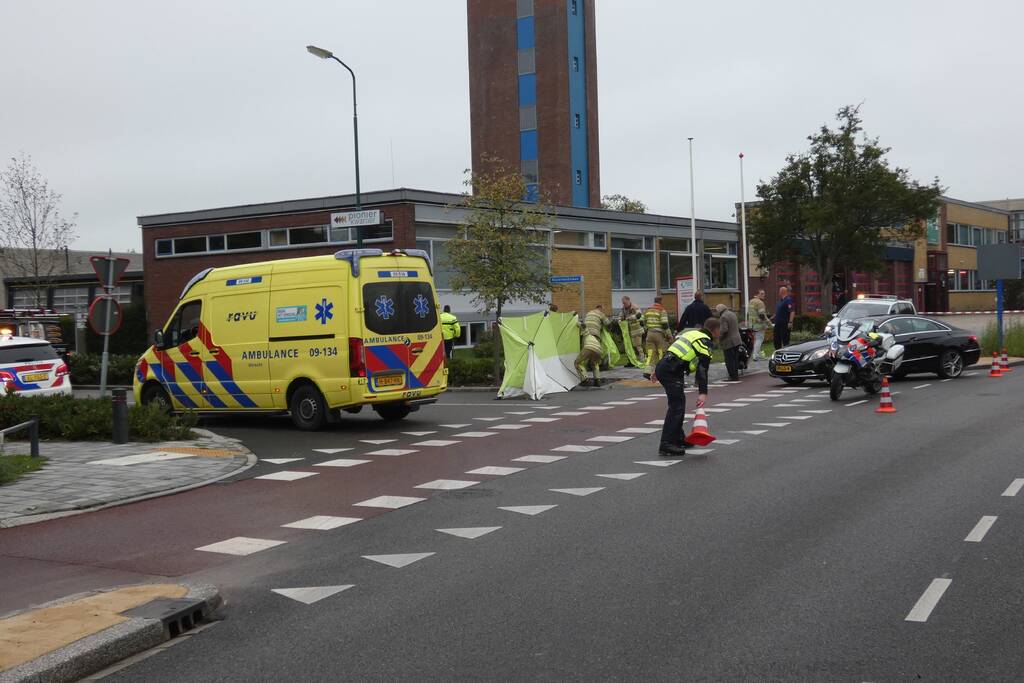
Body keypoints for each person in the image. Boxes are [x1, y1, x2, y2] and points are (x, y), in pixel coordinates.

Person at [656, 317, 721, 456]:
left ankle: (678, 438)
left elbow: (673, 349)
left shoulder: (692, 334)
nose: (720, 333)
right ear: (715, 331)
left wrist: (657, 369)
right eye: (719, 330)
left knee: (679, 404)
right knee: (676, 407)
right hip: (672, 371)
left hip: (667, 366)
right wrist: (703, 392)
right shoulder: (705, 342)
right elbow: (702, 369)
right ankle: (666, 444)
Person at [576, 304, 609, 386]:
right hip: (596, 337)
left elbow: (581, 324)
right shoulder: (601, 313)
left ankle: (585, 379)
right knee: (594, 361)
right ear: (600, 308)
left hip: (587, 336)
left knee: (580, 360)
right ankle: (597, 380)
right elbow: (607, 323)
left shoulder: (589, 313)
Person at [642, 297, 671, 379]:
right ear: (661, 301)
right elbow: (664, 324)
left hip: (649, 334)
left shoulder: (648, 310)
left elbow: (642, 320)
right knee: (661, 353)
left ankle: (647, 372)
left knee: (650, 354)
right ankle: (661, 372)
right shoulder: (662, 310)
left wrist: (646, 329)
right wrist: (669, 335)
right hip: (659, 334)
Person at [715, 303, 741, 381]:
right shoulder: (732, 314)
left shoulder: (723, 317)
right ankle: (735, 375)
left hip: (729, 341)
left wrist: (719, 338)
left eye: (717, 311)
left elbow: (724, 330)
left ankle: (732, 376)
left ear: (719, 310)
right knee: (735, 359)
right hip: (737, 340)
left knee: (729, 360)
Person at [619, 295, 645, 366]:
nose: (624, 304)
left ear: (629, 301)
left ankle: (642, 360)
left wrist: (631, 317)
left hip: (637, 330)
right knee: (629, 346)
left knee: (637, 345)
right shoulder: (623, 309)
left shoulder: (634, 307)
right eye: (623, 303)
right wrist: (620, 319)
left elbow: (639, 315)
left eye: (625, 303)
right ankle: (631, 361)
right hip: (629, 331)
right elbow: (621, 316)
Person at [747, 289, 770, 360]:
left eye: (764, 293)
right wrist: (768, 323)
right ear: (757, 294)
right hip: (759, 325)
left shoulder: (751, 301)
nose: (763, 295)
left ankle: (757, 354)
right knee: (759, 339)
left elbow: (749, 313)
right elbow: (762, 315)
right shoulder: (760, 303)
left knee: (756, 339)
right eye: (761, 293)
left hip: (752, 324)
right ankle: (756, 355)